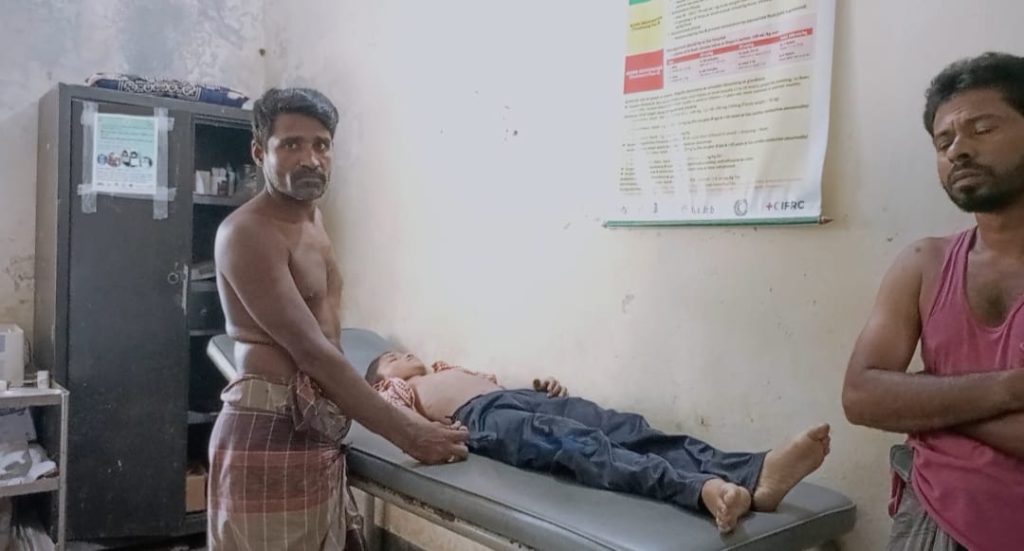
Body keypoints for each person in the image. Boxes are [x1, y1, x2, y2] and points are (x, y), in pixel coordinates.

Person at [207, 88, 469, 550]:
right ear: (259, 152)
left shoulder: (313, 222)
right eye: (291, 144)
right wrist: (408, 433)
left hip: (318, 429)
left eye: (321, 145)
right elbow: (312, 352)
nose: (310, 159)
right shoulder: (247, 232)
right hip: (269, 426)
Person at [842, 52, 1024, 551]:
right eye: (944, 142)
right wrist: (1012, 388)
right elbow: (860, 396)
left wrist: (923, 402)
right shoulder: (924, 264)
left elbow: (884, 396)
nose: (958, 150)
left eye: (982, 129)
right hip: (930, 518)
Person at [366, 351, 830, 533]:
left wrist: (540, 389)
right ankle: (701, 489)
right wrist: (427, 432)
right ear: (380, 377)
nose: (404, 354)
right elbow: (396, 420)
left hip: (516, 400)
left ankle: (753, 473)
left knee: (626, 427)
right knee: (583, 447)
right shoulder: (393, 389)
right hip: (483, 420)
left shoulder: (445, 365)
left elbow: (494, 385)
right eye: (391, 357)